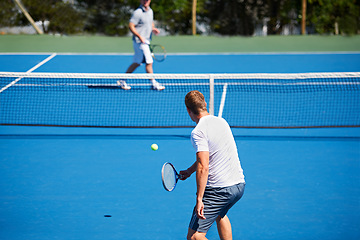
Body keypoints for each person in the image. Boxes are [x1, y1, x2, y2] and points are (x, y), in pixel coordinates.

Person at [180, 90, 245, 240]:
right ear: (205, 105)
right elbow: (211, 155)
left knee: (195, 237)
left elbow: (204, 166)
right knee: (220, 214)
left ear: (188, 110)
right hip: (239, 185)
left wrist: (200, 198)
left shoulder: (198, 132)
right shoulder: (222, 122)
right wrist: (190, 170)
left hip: (219, 190)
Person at [117, 0, 165, 91]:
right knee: (149, 62)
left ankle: (122, 80)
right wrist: (140, 36)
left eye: (147, 0)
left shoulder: (150, 11)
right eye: (143, 0)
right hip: (140, 42)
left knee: (137, 63)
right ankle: (153, 83)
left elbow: (150, 22)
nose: (145, 1)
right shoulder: (137, 13)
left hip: (146, 41)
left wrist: (153, 29)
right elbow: (131, 26)